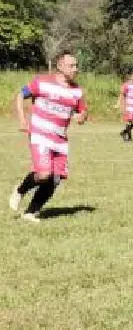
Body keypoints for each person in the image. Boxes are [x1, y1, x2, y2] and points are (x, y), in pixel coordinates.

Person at [9, 50, 88, 224]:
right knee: (44, 174)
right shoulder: (42, 82)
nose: (76, 69)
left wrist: (82, 117)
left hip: (60, 139)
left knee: (55, 179)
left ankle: (31, 212)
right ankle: (20, 190)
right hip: (40, 134)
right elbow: (21, 95)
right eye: (71, 65)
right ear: (60, 66)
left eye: (76, 65)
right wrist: (22, 120)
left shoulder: (77, 91)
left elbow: (82, 112)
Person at [118, 70, 133, 143]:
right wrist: (120, 104)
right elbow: (122, 95)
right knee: (129, 122)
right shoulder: (126, 85)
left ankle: (124, 132)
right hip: (128, 106)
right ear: (131, 77)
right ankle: (129, 138)